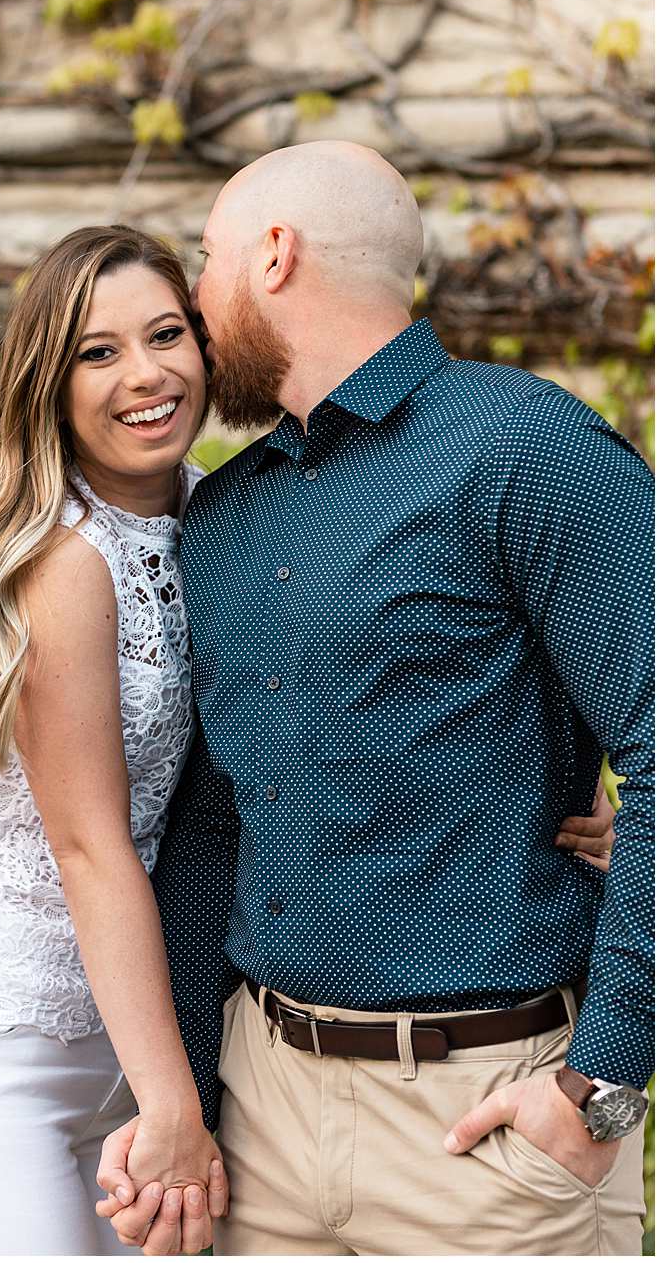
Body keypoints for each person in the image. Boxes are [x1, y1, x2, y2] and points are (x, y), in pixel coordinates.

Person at [0, 224, 616, 1257]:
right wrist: (174, 1103)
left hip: (141, 1039)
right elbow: (89, 847)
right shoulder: (61, 563)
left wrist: (560, 783)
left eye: (167, 333)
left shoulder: (229, 510)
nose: (145, 374)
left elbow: (324, 724)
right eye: (97, 352)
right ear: (47, 385)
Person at [97, 140, 652, 1255]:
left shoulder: (527, 450)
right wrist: (189, 1101)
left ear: (273, 255)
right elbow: (210, 830)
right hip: (260, 1112)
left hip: (481, 1125)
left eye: (206, 261)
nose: (195, 305)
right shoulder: (224, 513)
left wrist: (600, 1083)